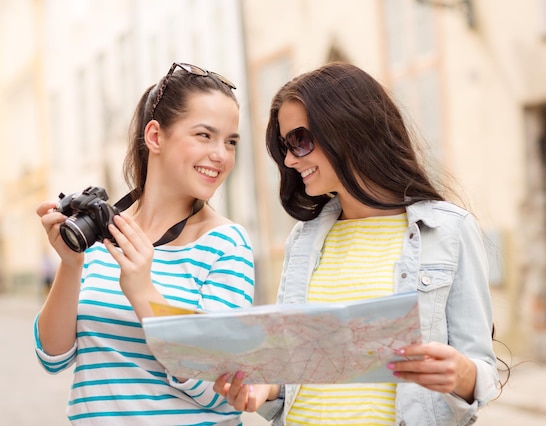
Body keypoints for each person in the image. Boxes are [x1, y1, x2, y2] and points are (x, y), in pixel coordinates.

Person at [213, 62, 499, 425]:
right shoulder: (303, 241)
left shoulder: (449, 231)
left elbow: (482, 372)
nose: (288, 159)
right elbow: (292, 371)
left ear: (347, 130)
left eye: (299, 140)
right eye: (285, 146)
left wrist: (461, 374)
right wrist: (264, 388)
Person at [34, 62, 255, 425]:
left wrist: (144, 293)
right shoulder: (102, 233)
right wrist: (71, 263)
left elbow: (223, 390)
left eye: (230, 141)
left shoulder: (225, 244)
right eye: (204, 135)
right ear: (155, 136)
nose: (222, 155)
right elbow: (52, 356)